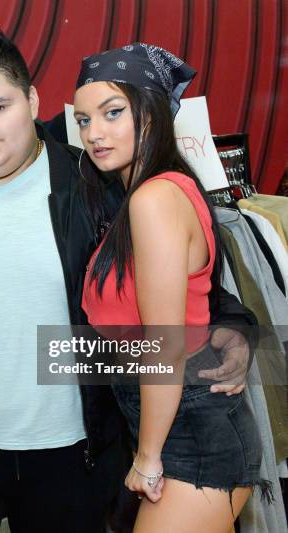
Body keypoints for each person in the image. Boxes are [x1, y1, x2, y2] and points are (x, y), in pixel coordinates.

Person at [0, 25, 257, 533]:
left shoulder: (99, 185)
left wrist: (238, 328)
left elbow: (190, 289)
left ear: (31, 101)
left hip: (75, 448)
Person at [76, 44, 268, 531]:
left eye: (113, 112)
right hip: (172, 424)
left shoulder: (155, 198)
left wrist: (147, 457)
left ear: (152, 113)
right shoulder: (148, 193)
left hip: (189, 434)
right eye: (82, 120)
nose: (94, 132)